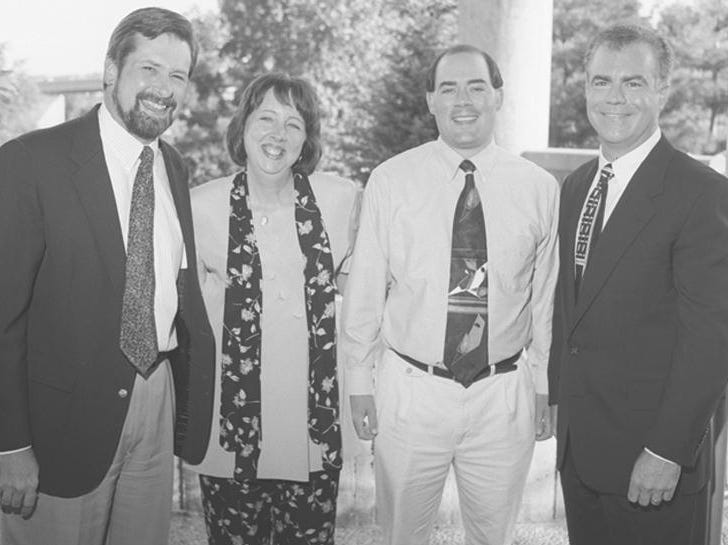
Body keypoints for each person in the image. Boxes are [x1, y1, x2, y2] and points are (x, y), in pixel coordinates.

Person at [0, 8, 214, 545]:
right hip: (58, 423)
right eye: (149, 69)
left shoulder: (175, 168)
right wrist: (8, 444)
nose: (163, 89)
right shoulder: (30, 161)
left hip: (154, 397)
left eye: (178, 76)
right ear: (111, 71)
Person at [341, 44, 559, 545]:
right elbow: (367, 287)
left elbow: (544, 298)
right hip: (412, 390)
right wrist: (358, 378)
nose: (464, 99)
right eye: (449, 88)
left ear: (498, 96)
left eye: (477, 86)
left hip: (502, 394)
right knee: (403, 535)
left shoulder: (539, 189)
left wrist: (547, 382)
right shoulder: (391, 181)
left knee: (493, 537)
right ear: (429, 101)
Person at [549, 23, 728, 545]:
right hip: (582, 454)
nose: (615, 97)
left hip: (653, 464)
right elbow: (574, 310)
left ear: (662, 92)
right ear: (584, 89)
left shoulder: (701, 194)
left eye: (633, 82)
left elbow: (712, 339)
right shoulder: (577, 186)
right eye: (601, 81)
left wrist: (668, 450)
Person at [188, 72, 359, 545]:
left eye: (293, 124)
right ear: (241, 127)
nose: (277, 134)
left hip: (311, 428)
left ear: (307, 142)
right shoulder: (200, 206)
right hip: (231, 430)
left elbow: (362, 290)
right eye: (265, 118)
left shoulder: (339, 199)